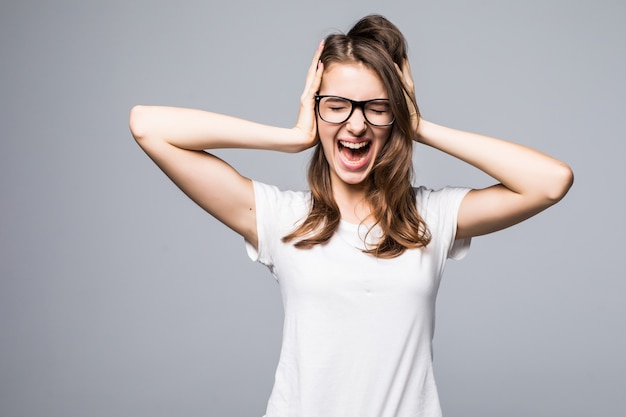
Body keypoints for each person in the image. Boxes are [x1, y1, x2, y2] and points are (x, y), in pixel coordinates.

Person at [129, 14, 573, 417]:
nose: (356, 125)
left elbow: (550, 181)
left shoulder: (428, 220)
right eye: (337, 105)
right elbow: (148, 125)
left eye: (377, 108)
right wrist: (293, 136)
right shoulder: (281, 218)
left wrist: (419, 124)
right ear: (316, 106)